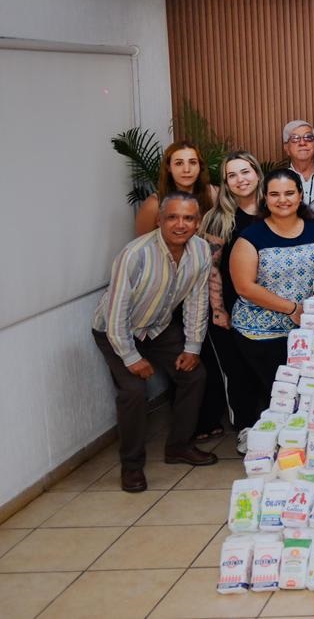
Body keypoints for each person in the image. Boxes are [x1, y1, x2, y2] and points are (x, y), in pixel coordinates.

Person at [93, 192, 217, 492]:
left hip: (158, 327)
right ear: (159, 220)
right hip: (116, 330)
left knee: (195, 374)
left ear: (198, 223)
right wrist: (131, 357)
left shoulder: (201, 250)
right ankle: (132, 466)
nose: (180, 224)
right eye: (172, 217)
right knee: (134, 392)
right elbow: (116, 313)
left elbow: (197, 300)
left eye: (188, 218)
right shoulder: (135, 254)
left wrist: (192, 347)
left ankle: (178, 446)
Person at [230, 169, 314, 432]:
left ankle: (292, 443)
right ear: (265, 198)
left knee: (302, 394)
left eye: (289, 193)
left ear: (300, 195)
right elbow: (244, 287)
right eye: (274, 194)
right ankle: (258, 438)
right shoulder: (251, 237)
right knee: (274, 394)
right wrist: (291, 308)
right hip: (259, 332)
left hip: (305, 330)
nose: (282, 200)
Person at [197, 151, 265, 441]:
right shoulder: (218, 219)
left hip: (270, 308)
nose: (240, 180)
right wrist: (218, 310)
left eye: (245, 172)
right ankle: (245, 430)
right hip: (230, 307)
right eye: (232, 175)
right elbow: (211, 269)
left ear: (257, 174)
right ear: (225, 183)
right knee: (237, 373)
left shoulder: (274, 209)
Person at [133, 140, 216, 236]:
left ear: (200, 166)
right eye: (179, 163)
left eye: (192, 162)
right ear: (169, 167)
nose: (187, 169)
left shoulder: (211, 193)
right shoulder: (154, 204)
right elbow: (143, 243)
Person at [281, 119, 314, 204]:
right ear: (286, 147)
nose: (302, 143)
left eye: (308, 138)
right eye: (295, 138)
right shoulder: (279, 181)